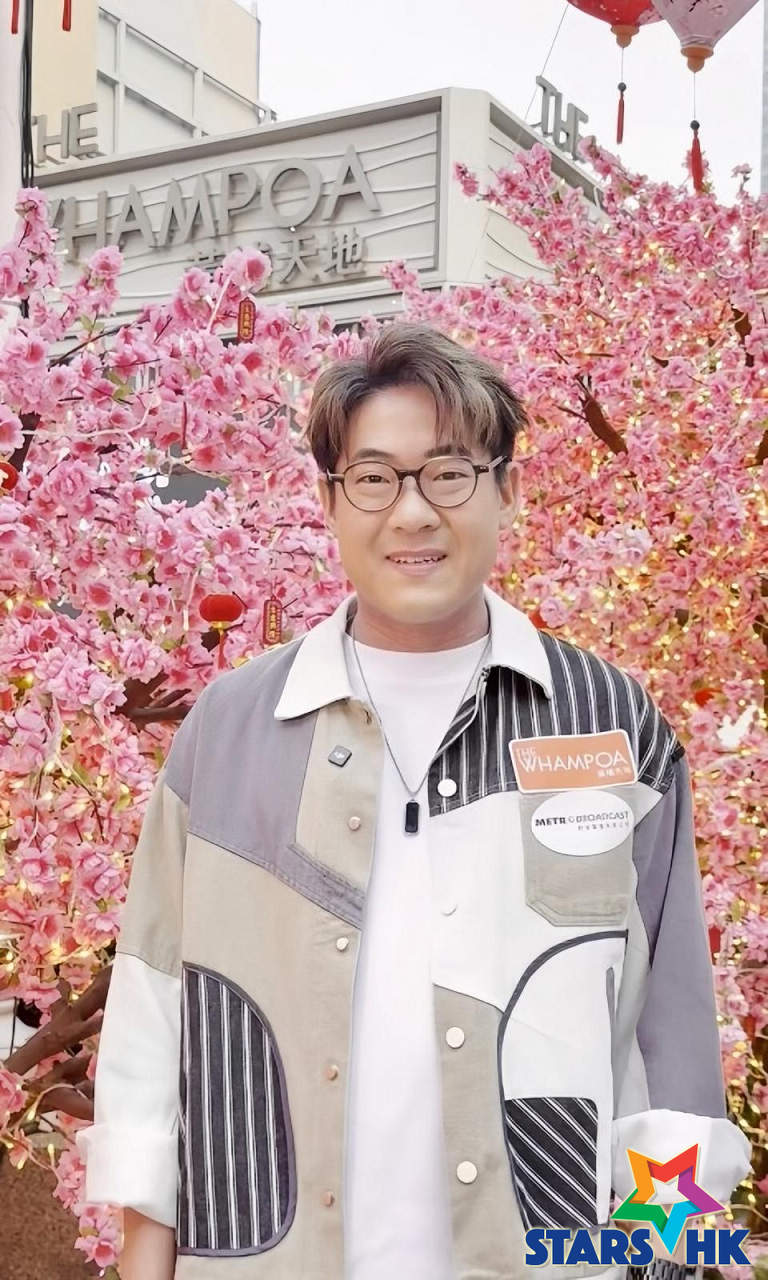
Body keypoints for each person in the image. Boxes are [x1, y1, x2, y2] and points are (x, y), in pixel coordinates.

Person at [75, 323, 750, 1280]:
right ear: (329, 500)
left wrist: (669, 1255)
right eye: (374, 478)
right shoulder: (228, 730)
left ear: (507, 488)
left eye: (449, 474)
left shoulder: (609, 721)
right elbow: (155, 1014)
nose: (413, 512)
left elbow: (668, 1033)